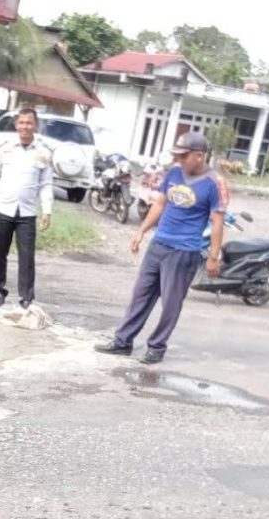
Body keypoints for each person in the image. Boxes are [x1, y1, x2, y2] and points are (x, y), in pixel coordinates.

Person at [95, 131, 229, 364]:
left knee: (171, 303)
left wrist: (213, 257)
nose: (178, 161)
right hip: (159, 245)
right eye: (177, 156)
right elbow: (160, 204)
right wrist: (141, 231)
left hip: (183, 251)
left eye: (183, 156)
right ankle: (122, 342)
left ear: (199, 156)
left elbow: (218, 223)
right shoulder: (174, 173)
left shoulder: (215, 184)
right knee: (140, 295)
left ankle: (156, 347)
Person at [0, 107, 53, 309]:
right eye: (22, 123)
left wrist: (47, 210)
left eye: (29, 123)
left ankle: (26, 297)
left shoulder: (43, 153)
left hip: (27, 213)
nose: (25, 127)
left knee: (26, 257)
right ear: (16, 125)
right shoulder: (5, 148)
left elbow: (46, 184)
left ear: (35, 125)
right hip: (3, 208)